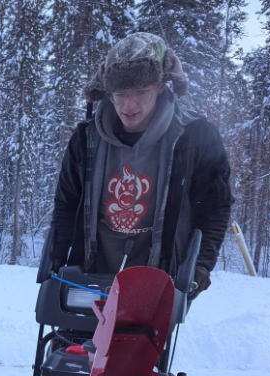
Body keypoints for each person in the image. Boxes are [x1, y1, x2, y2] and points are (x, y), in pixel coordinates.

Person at [47, 33, 232, 299]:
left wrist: (201, 264)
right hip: (90, 279)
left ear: (161, 86)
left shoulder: (196, 137)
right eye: (120, 94)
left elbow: (215, 207)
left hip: (164, 278)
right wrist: (55, 257)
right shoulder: (85, 139)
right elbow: (66, 203)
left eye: (141, 92)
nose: (128, 105)